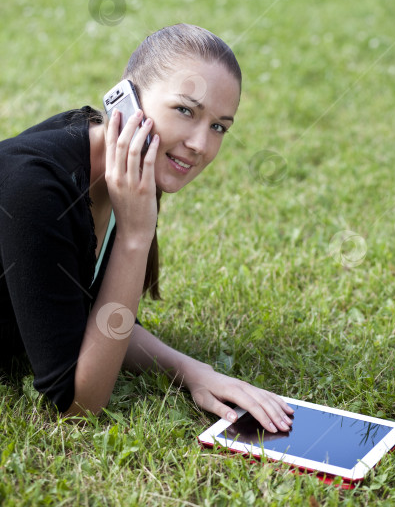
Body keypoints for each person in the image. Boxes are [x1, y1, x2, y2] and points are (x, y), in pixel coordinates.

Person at [0, 24, 294, 433]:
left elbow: (93, 314)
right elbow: (78, 403)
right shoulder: (37, 189)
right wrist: (136, 238)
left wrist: (192, 370)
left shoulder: (125, 166)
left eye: (219, 127)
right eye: (186, 110)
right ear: (126, 101)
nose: (200, 145)